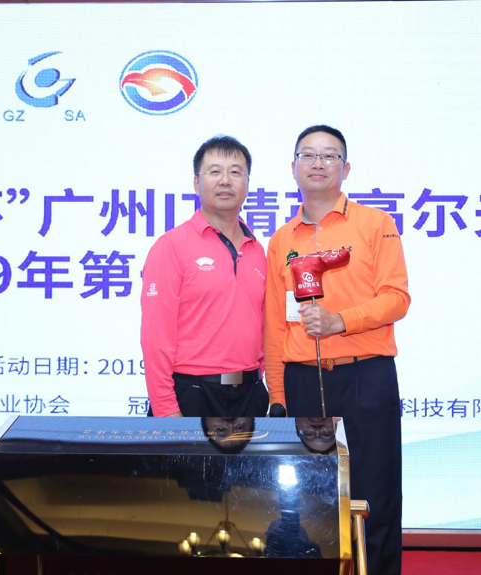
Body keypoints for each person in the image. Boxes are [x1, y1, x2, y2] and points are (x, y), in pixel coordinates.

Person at [264, 125, 410, 575]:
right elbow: (274, 323)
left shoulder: (375, 224)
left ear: (345, 169)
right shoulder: (281, 240)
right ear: (293, 168)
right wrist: (277, 394)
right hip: (304, 378)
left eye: (329, 156)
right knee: (306, 500)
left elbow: (397, 298)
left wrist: (339, 321)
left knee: (376, 495)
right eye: (308, 155)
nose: (318, 163)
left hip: (367, 373)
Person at [141, 135, 269, 418]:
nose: (225, 180)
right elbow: (155, 337)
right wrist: (165, 410)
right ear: (196, 182)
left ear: (248, 183)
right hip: (191, 395)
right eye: (214, 171)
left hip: (250, 396)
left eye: (235, 172)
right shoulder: (172, 246)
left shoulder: (257, 250)